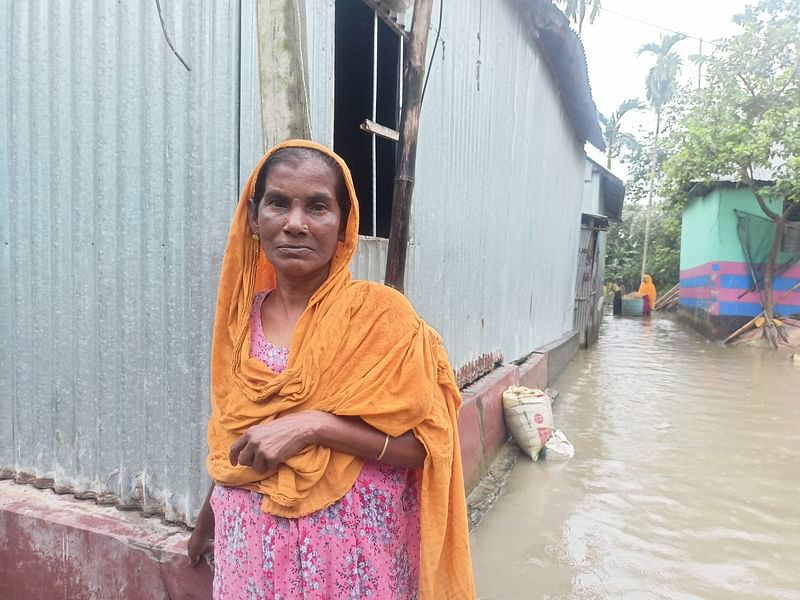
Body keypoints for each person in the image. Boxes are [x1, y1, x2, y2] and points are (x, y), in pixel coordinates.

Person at [187, 140, 475, 599]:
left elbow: (428, 447)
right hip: (250, 554)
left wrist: (315, 426)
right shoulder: (239, 325)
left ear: (343, 225)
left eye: (318, 206)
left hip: (352, 559)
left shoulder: (383, 318)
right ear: (254, 218)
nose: (296, 224)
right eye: (279, 203)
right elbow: (234, 435)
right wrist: (207, 521)